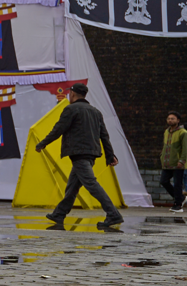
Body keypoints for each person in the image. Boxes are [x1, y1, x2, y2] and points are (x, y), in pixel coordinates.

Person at [37, 82, 123, 231]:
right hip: (91, 153)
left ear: (72, 93)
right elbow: (104, 136)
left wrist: (43, 143)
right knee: (72, 187)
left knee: (91, 184)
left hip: (78, 153)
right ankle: (59, 214)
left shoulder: (71, 109)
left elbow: (58, 129)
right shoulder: (96, 112)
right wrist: (110, 155)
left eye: (69, 93)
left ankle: (113, 214)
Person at [160, 112, 187, 212]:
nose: (170, 120)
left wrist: (182, 160)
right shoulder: (166, 132)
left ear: (178, 120)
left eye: (172, 118)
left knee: (177, 184)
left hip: (178, 163)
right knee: (163, 181)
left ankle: (178, 204)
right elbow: (165, 147)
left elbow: (185, 148)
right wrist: (162, 157)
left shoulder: (183, 132)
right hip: (167, 162)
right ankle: (181, 197)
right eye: (168, 118)